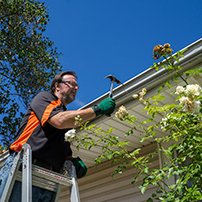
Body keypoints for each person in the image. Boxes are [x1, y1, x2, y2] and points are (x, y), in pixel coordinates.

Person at [0, 71, 116, 201]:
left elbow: (61, 146)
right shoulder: (45, 98)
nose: (76, 88)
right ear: (57, 86)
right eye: (71, 84)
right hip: (22, 168)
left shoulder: (68, 119)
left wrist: (72, 160)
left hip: (48, 178)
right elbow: (59, 121)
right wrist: (97, 109)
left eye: (77, 86)